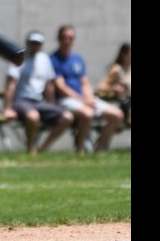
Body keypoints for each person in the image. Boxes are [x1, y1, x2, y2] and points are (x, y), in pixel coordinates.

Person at [49, 25, 125, 154]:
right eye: (64, 37)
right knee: (88, 113)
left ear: (74, 40)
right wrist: (84, 100)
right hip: (65, 100)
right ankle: (80, 149)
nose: (67, 40)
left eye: (70, 38)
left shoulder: (78, 59)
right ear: (58, 39)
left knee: (117, 115)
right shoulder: (53, 59)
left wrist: (89, 98)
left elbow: (84, 82)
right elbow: (61, 87)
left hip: (83, 99)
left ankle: (99, 149)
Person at [4, 31, 74, 154]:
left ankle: (44, 148)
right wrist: (7, 108)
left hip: (39, 102)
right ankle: (31, 148)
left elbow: (49, 85)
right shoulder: (18, 58)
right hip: (21, 101)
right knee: (33, 116)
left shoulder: (44, 59)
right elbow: (11, 85)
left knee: (67, 117)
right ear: (27, 43)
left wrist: (52, 104)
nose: (35, 46)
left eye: (38, 44)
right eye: (33, 43)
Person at [97, 42, 131, 127]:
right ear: (124, 55)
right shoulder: (117, 69)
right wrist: (114, 87)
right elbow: (101, 86)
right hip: (125, 102)